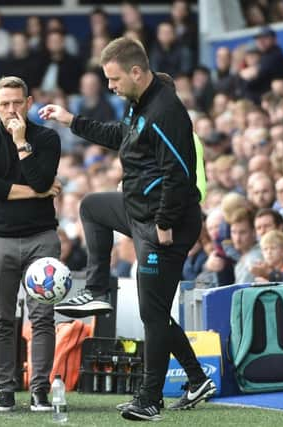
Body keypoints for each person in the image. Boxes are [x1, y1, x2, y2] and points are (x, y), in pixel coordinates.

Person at [39, 37, 215, 421]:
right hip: (138, 211)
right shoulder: (139, 102)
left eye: (114, 78)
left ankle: (150, 399)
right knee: (92, 206)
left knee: (153, 314)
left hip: (164, 223)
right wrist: (73, 121)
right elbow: (121, 137)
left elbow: (180, 175)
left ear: (137, 71)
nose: (110, 86)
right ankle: (99, 290)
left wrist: (165, 224)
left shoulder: (166, 110)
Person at [0, 76, 62, 412]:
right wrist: (38, 192)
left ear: (29, 102)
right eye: (5, 104)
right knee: (1, 319)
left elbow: (39, 177)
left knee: (42, 318)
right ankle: (5, 391)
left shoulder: (47, 138)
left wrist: (22, 141)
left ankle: (39, 391)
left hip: (41, 238)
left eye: (17, 102)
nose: (12, 109)